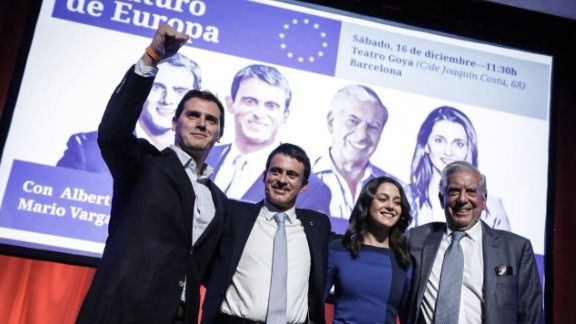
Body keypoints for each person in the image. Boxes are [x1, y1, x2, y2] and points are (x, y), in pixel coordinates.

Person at [76, 25, 228, 324]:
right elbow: (113, 132)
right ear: (175, 123)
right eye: (192, 115)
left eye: (211, 120)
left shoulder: (218, 201)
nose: (201, 124)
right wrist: (152, 56)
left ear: (219, 134)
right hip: (122, 312)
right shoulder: (145, 164)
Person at [201, 143, 332, 324]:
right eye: (276, 171)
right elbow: (206, 265)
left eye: (292, 175)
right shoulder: (235, 215)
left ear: (304, 185)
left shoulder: (318, 226)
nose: (282, 180)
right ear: (264, 176)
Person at [407, 161, 542, 324]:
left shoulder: (516, 249)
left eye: (471, 191)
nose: (462, 199)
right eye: (454, 191)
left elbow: (531, 316)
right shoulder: (417, 239)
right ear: (441, 198)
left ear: (483, 200)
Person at [206, 64, 331, 214]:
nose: (259, 113)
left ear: (285, 115)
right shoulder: (202, 157)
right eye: (250, 101)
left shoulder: (311, 188)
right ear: (230, 104)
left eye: (271, 106)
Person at [56, 52, 202, 173]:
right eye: (157, 87)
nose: (168, 100)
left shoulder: (206, 158)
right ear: (142, 90)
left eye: (180, 91)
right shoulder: (88, 149)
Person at [313, 84, 406, 231]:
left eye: (373, 126)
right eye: (353, 121)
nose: (361, 135)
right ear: (331, 122)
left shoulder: (400, 192)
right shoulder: (300, 180)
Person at [325, 176, 413, 323]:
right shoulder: (339, 250)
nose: (391, 206)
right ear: (367, 204)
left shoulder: (403, 260)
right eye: (383, 199)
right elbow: (314, 305)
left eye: (397, 202)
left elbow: (408, 317)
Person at [409, 106, 511, 230]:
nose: (448, 152)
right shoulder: (405, 198)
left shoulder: (493, 208)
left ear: (469, 149)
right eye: (439, 140)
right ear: (425, 145)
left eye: (458, 144)